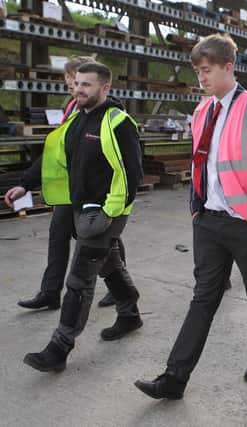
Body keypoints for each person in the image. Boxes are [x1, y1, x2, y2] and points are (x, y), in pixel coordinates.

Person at [134, 33, 247, 400]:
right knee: (203, 298)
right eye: (198, 72)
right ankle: (174, 378)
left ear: (228, 67)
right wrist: (196, 208)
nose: (200, 78)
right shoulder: (203, 110)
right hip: (208, 219)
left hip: (245, 223)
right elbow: (200, 163)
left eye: (207, 71)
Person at [6, 62, 144, 372]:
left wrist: (110, 213)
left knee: (79, 280)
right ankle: (130, 313)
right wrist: (24, 184)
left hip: (105, 211)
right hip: (81, 207)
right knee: (108, 263)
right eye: (77, 83)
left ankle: (59, 347)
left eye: (87, 85)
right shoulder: (76, 119)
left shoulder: (118, 123)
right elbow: (52, 156)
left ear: (105, 88)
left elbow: (132, 174)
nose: (78, 89)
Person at [6, 56, 117, 310]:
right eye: (69, 79)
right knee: (58, 237)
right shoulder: (72, 109)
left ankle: (119, 289)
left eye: (77, 79)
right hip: (67, 191)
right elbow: (54, 153)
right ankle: (50, 292)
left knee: (100, 243)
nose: (71, 85)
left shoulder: (105, 113)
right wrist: (26, 183)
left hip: (90, 193)